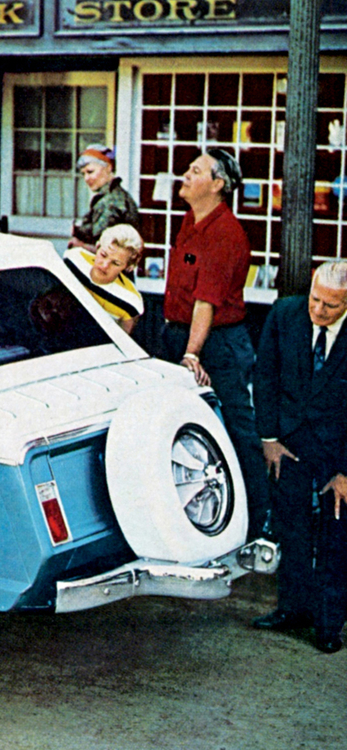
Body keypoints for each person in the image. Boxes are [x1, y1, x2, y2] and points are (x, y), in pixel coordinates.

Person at [161, 148, 269, 539]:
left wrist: (192, 353)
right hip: (180, 334)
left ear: (218, 184)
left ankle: (258, 521)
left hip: (217, 343)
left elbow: (206, 302)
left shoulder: (226, 233)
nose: (185, 176)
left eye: (195, 171)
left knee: (237, 429)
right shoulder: (190, 220)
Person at [252, 261, 347, 654]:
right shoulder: (284, 313)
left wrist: (345, 473)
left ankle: (327, 623)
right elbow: (265, 375)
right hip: (288, 440)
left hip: (338, 449)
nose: (319, 310)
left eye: (331, 305)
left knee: (336, 536)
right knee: (292, 526)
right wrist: (269, 438)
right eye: (315, 299)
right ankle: (292, 610)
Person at [63, 224, 144, 334]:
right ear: (97, 247)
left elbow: (121, 341)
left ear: (128, 267)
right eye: (103, 255)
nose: (105, 265)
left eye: (116, 263)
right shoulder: (74, 259)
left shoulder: (131, 300)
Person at [69, 145, 140, 253]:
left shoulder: (112, 201)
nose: (86, 178)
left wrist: (80, 245)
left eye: (90, 172)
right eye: (83, 174)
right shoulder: (112, 196)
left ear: (108, 168)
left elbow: (103, 247)